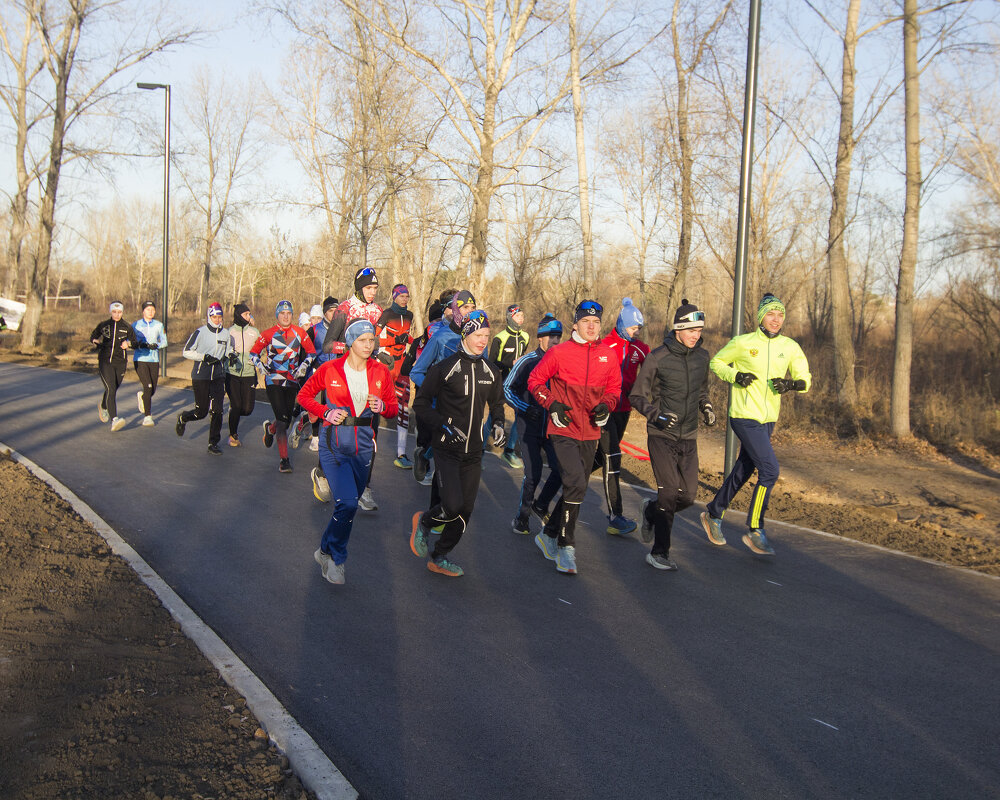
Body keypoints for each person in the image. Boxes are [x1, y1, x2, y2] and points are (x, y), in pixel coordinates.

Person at [700, 292, 811, 556]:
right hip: (743, 415)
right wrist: (736, 375)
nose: (776, 319)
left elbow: (805, 377)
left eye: (780, 315)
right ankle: (755, 528)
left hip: (768, 418)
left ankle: (713, 514)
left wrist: (791, 384)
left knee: (744, 469)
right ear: (761, 317)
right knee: (770, 470)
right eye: (771, 314)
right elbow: (717, 363)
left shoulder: (790, 346)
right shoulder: (743, 342)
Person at [297, 319, 398, 585]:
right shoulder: (330, 369)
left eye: (372, 340)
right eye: (363, 340)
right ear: (351, 342)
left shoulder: (380, 372)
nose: (369, 345)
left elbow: (394, 408)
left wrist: (382, 407)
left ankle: (324, 550)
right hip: (333, 444)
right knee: (348, 503)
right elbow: (304, 396)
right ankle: (336, 560)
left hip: (364, 446)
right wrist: (326, 411)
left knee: (348, 508)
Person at [409, 310, 506, 577]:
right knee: (451, 506)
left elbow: (497, 403)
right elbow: (420, 404)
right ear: (465, 335)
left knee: (465, 511)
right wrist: (442, 424)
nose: (483, 340)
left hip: (474, 452)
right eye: (477, 335)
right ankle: (425, 521)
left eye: (486, 335)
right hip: (447, 448)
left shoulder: (491, 370)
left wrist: (498, 423)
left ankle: (440, 556)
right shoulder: (445, 368)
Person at [528, 300, 621, 574]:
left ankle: (547, 535)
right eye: (586, 322)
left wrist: (607, 405)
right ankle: (566, 547)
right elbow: (535, 381)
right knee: (576, 482)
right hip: (563, 427)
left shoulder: (608, 355)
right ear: (576, 325)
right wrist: (552, 404)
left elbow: (615, 388)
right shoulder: (559, 352)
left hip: (590, 431)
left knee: (574, 488)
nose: (591, 327)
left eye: (596, 322)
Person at [629, 299, 714, 570]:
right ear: (678, 329)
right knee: (668, 493)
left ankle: (650, 512)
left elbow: (702, 391)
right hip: (661, 435)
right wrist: (657, 415)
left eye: (699, 331)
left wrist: (707, 407)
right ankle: (659, 552)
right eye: (690, 330)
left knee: (687, 497)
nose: (695, 335)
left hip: (688, 436)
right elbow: (637, 395)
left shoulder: (703, 357)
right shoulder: (658, 357)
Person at [318, 268, 387, 509]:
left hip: (369, 378)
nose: (372, 293)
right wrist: (351, 348)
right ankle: (323, 471)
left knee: (370, 432)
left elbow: (380, 342)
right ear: (359, 287)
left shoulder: (378, 312)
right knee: (340, 430)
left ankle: (365, 488)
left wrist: (384, 352)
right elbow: (328, 344)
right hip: (344, 376)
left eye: (375, 289)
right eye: (368, 288)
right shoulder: (344, 309)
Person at [594, 297, 650, 535]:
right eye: (632, 327)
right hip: (606, 409)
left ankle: (564, 480)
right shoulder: (605, 345)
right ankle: (615, 516)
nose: (635, 332)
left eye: (638, 328)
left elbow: (652, 369)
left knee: (600, 458)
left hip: (625, 409)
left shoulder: (640, 348)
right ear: (621, 324)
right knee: (613, 457)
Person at [409, 289, 477, 482]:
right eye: (465, 307)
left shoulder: (478, 338)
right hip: (440, 405)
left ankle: (426, 457)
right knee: (444, 456)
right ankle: (425, 456)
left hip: (464, 406)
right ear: (455, 309)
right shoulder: (440, 337)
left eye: (473, 307)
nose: (469, 312)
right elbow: (416, 372)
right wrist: (437, 389)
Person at [505, 312, 563, 535]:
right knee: (534, 474)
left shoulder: (561, 362)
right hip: (528, 427)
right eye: (551, 336)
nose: (556, 341)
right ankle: (522, 515)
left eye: (558, 337)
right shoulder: (527, 361)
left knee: (560, 471)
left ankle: (540, 505)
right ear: (540, 337)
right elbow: (507, 389)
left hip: (552, 428)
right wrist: (525, 407)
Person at [250, 300, 317, 473]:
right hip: (273, 379)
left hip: (292, 380)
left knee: (286, 420)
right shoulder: (268, 333)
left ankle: (269, 429)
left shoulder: (300, 332)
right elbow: (253, 352)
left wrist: (304, 365)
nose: (286, 316)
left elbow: (312, 352)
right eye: (282, 313)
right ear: (277, 315)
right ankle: (284, 460)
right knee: (282, 420)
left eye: (289, 314)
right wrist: (259, 364)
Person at [176, 302, 234, 455]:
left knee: (217, 411)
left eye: (219, 316)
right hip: (201, 375)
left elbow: (228, 349)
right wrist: (204, 357)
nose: (217, 320)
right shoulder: (200, 332)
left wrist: (232, 355)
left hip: (218, 376)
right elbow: (186, 351)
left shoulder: (226, 333)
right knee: (201, 412)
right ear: (209, 316)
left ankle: (213, 443)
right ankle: (183, 418)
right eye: (214, 316)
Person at [375, 284, 415, 468]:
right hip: (386, 364)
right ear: (394, 297)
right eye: (401, 296)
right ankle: (367, 443)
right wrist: (393, 340)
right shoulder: (387, 314)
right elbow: (373, 340)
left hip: (402, 366)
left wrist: (418, 342)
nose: (405, 299)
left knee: (404, 407)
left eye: (407, 296)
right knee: (375, 404)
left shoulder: (410, 315)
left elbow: (406, 337)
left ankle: (401, 453)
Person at [487, 303, 529, 468]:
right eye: (518, 316)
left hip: (517, 383)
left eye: (522, 316)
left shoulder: (526, 337)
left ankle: (509, 451)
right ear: (510, 318)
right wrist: (509, 363)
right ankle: (479, 451)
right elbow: (491, 363)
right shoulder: (500, 337)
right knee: (493, 417)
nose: (521, 319)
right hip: (501, 381)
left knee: (522, 413)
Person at [90, 300, 139, 431]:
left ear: (122, 312)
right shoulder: (104, 325)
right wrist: (95, 341)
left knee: (113, 388)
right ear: (110, 312)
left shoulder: (127, 327)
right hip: (105, 361)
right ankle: (114, 420)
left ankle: (103, 406)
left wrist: (128, 344)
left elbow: (135, 343)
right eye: (114, 312)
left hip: (120, 362)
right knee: (111, 389)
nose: (117, 315)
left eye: (119, 312)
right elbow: (93, 336)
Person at [225, 302, 260, 447]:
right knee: (237, 405)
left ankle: (233, 413)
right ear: (239, 315)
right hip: (232, 373)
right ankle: (233, 435)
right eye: (246, 314)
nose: (249, 316)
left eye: (249, 314)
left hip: (249, 373)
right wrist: (230, 355)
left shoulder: (254, 332)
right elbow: (224, 350)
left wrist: (257, 359)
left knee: (247, 409)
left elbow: (261, 350)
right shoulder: (229, 332)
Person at [132, 300, 166, 427]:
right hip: (140, 359)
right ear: (143, 311)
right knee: (148, 386)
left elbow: (164, 341)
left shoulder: (159, 325)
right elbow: (130, 341)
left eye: (152, 309)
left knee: (152, 389)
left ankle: (143, 398)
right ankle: (148, 416)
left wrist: (156, 345)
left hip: (154, 359)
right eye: (148, 309)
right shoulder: (135, 325)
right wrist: (140, 345)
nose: (150, 312)